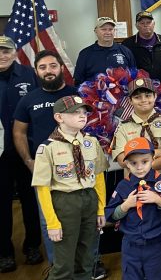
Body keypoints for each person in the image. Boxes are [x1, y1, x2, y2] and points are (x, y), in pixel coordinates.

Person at [112, 78, 161, 280]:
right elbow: (121, 159)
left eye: (147, 95)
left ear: (154, 97)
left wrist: (139, 162)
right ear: (130, 100)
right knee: (138, 234)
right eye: (137, 96)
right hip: (134, 192)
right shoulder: (124, 128)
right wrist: (156, 154)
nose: (143, 100)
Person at [13, 50, 78, 268]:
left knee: (83, 217)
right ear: (36, 71)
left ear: (61, 67)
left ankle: (89, 262)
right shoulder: (28, 99)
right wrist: (29, 162)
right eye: (42, 67)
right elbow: (19, 132)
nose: (48, 71)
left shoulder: (77, 95)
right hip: (45, 171)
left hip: (78, 168)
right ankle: (57, 266)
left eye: (52, 66)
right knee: (48, 220)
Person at [31, 95, 108, 280]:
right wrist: (52, 223)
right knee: (64, 263)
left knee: (87, 258)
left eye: (84, 112)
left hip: (89, 199)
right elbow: (42, 188)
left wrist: (100, 209)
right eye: (75, 112)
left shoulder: (91, 142)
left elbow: (98, 177)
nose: (82, 116)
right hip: (65, 203)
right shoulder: (47, 148)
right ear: (59, 117)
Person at [104, 137, 161, 280]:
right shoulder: (123, 186)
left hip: (156, 244)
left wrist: (158, 200)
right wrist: (125, 206)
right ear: (126, 164)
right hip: (131, 245)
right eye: (133, 163)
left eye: (144, 162)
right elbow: (110, 215)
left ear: (153, 158)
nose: (139, 167)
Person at [0, 35, 41, 273]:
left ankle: (32, 246)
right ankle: (4, 252)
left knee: (30, 200)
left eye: (6, 51)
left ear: (14, 53)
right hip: (0, 152)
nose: (2, 56)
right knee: (2, 203)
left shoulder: (28, 75)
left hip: (27, 149)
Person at [122, 11, 161, 97]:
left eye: (148, 22)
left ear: (154, 24)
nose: (146, 25)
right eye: (142, 23)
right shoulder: (127, 44)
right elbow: (126, 71)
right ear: (137, 26)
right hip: (140, 93)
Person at [73, 17, 136, 85]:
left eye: (110, 29)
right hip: (94, 95)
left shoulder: (125, 51)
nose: (108, 32)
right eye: (103, 29)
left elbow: (134, 77)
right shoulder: (85, 54)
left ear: (114, 31)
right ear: (95, 31)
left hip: (122, 94)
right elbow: (78, 81)